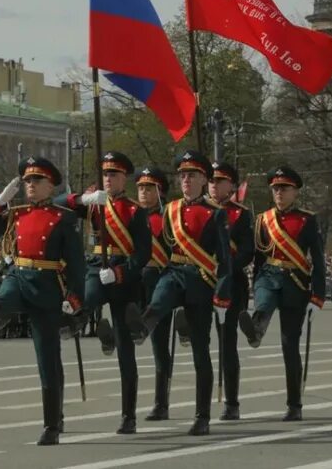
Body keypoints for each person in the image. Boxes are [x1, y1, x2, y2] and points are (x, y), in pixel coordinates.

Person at [0, 156, 85, 446]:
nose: (30, 185)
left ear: (50, 185)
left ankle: (52, 423)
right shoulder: (16, 214)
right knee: (4, 296)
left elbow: (77, 263)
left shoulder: (63, 218)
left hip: (47, 287)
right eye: (28, 181)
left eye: (37, 181)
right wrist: (0, 200)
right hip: (18, 276)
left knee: (48, 359)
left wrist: (74, 296)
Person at [125, 151, 233, 437]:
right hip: (173, 271)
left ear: (203, 180)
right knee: (158, 300)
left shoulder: (216, 213)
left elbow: (224, 259)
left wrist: (222, 295)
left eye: (192, 175)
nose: (185, 179)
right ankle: (142, 327)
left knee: (200, 352)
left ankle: (202, 416)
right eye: (182, 175)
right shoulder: (170, 209)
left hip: (200, 280)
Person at [58, 151, 152, 434]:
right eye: (105, 174)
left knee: (126, 350)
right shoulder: (95, 203)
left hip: (123, 272)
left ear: (125, 178)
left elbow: (144, 253)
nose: (108, 179)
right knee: (87, 298)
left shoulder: (135, 211)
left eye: (113, 174)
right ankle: (77, 321)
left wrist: (121, 273)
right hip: (97, 266)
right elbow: (57, 204)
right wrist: (82, 199)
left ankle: (128, 416)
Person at [238, 166, 326, 422]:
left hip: (295, 283)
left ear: (295, 192)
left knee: (290, 346)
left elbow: (318, 261)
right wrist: (254, 285)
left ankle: (294, 403)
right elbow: (258, 255)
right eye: (275, 188)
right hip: (267, 275)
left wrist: (317, 296)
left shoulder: (307, 220)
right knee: (263, 305)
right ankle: (256, 330)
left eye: (284, 188)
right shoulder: (263, 219)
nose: (279, 192)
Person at [208, 161, 254, 421]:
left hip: (231, 284)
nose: (214, 185)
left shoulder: (240, 214)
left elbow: (247, 252)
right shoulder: (198, 210)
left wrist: (224, 268)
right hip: (203, 281)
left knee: (227, 345)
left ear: (232, 186)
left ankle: (232, 401)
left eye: (220, 181)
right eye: (211, 181)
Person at [135, 166, 174, 421]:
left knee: (160, 345)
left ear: (160, 191)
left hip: (160, 279)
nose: (144, 192)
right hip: (135, 280)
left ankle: (161, 402)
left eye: (149, 188)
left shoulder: (169, 217)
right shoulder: (131, 216)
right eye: (140, 188)